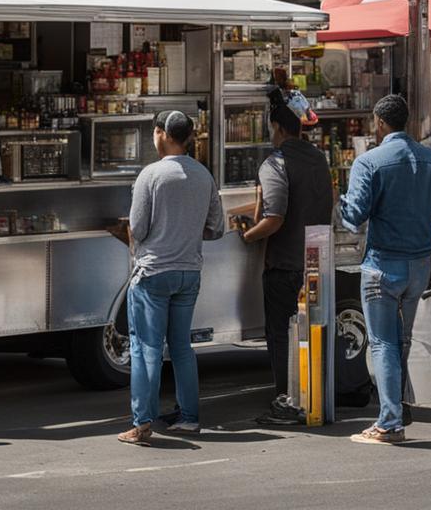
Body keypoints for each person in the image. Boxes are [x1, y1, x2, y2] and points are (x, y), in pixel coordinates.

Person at [341, 94, 431, 444]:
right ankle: (397, 406)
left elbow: (354, 216)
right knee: (400, 340)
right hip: (420, 263)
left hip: (381, 264)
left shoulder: (369, 162)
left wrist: (342, 203)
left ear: (380, 123)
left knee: (382, 343)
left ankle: (390, 420)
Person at [118, 111, 225, 446]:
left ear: (162, 134)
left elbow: (138, 228)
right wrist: (186, 233)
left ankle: (142, 422)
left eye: (155, 130)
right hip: (189, 272)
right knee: (181, 346)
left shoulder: (151, 175)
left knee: (146, 347)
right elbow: (217, 228)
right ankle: (189, 418)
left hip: (153, 272)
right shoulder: (204, 175)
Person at [238, 87, 333, 426]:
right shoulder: (318, 158)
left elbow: (274, 218)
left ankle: (287, 402)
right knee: (310, 333)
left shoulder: (275, 163)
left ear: (276, 127)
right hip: (315, 261)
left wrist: (249, 235)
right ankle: (313, 399)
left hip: (285, 265)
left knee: (281, 334)